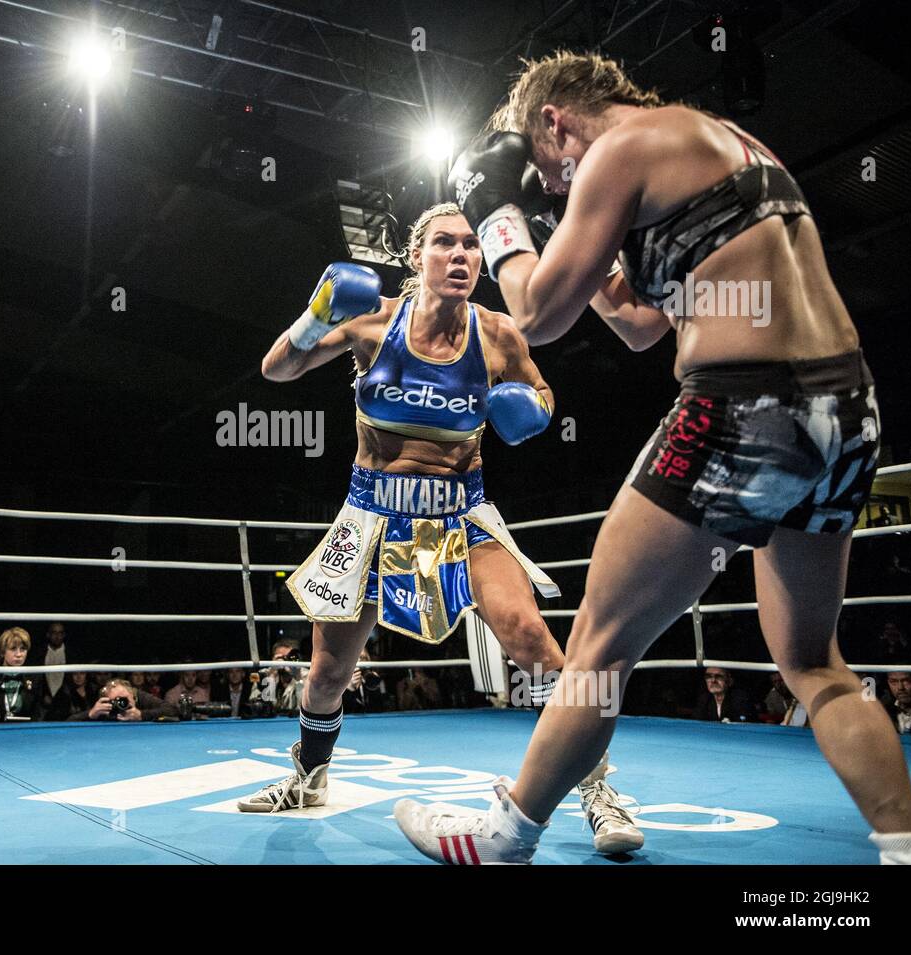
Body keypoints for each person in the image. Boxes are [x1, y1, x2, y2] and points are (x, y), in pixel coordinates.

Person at [397, 49, 911, 865]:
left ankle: (503, 834)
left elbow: (533, 313)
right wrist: (569, 242)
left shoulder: (618, 149)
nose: (558, 194)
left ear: (554, 123)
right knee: (813, 660)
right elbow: (644, 323)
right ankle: (906, 845)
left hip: (743, 403)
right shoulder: (720, 141)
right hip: (848, 412)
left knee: (601, 644)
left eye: (546, 174)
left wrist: (500, 212)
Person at [236, 198, 642, 853]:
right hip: (371, 513)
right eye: (445, 244)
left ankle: (600, 791)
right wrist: (316, 315)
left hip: (461, 512)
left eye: (470, 246)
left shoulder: (500, 332)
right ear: (416, 256)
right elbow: (277, 368)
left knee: (529, 632)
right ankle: (309, 779)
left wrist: (533, 409)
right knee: (327, 671)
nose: (460, 255)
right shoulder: (373, 325)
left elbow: (542, 391)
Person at [0, 627, 41, 721]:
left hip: (23, 732)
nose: (19, 654)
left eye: (23, 649)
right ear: (2, 652)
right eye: (13, 649)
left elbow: (36, 714)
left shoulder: (34, 677)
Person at [71, 679, 177, 722]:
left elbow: (171, 710)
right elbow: (68, 722)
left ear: (132, 695)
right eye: (116, 700)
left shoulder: (140, 696)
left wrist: (141, 715)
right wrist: (90, 714)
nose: (121, 702)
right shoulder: (105, 707)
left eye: (125, 698)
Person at [691, 667, 760, 723]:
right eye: (708, 676)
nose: (713, 680)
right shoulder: (704, 699)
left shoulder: (740, 699)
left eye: (718, 676)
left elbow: (744, 724)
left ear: (730, 681)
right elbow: (697, 722)